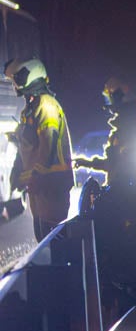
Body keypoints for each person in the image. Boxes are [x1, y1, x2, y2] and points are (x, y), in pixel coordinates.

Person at [4, 58, 73, 240]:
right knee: (43, 238)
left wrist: (35, 177)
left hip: (52, 184)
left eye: (16, 79)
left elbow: (47, 148)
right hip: (41, 186)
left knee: (54, 241)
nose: (14, 84)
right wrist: (18, 173)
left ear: (30, 76)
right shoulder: (30, 109)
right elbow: (28, 146)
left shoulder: (46, 105)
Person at [73, 75, 136, 187]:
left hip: (130, 197)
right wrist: (84, 162)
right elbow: (112, 163)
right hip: (122, 194)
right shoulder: (124, 129)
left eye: (113, 96)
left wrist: (86, 163)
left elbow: (118, 166)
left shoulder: (134, 131)